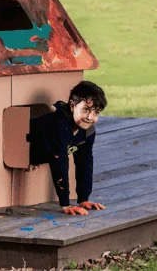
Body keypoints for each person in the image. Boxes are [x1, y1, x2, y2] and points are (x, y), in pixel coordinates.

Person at [29, 81, 108, 215]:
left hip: (48, 153)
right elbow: (60, 161)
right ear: (72, 106)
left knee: (85, 158)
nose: (90, 117)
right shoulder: (58, 125)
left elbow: (85, 162)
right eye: (86, 110)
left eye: (96, 112)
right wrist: (65, 204)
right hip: (27, 150)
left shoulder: (87, 131)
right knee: (59, 157)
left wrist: (83, 198)